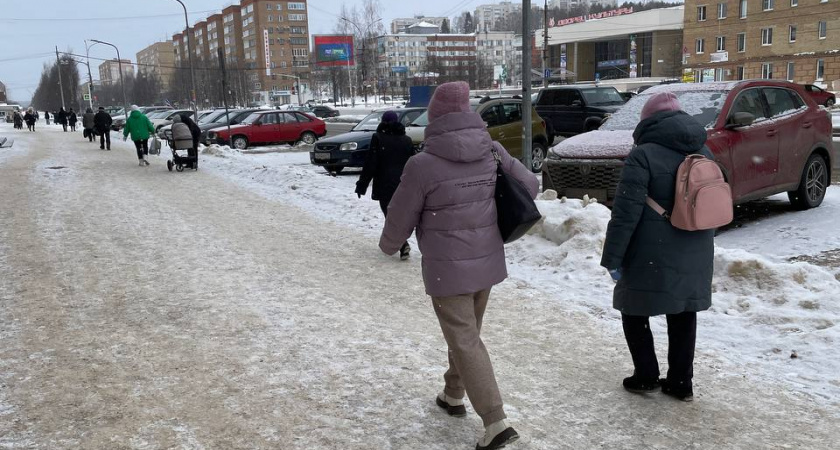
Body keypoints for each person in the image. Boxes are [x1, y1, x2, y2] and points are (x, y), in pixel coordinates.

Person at [379, 81, 538, 450]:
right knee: (466, 338)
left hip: (446, 270)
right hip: (488, 264)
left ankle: (496, 421)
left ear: (435, 117)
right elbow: (529, 185)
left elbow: (399, 219)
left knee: (465, 340)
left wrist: (389, 246)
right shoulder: (493, 150)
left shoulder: (422, 165)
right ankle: (453, 394)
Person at [600, 92, 714, 403]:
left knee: (632, 307)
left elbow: (626, 213)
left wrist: (613, 257)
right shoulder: (704, 150)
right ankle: (680, 382)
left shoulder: (643, 155)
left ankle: (646, 375)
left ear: (647, 122)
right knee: (683, 310)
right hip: (695, 245)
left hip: (651, 248)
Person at [355, 110, 415, 260]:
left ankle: (402, 244)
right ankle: (401, 242)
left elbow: (371, 163)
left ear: (383, 121)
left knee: (389, 215)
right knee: (399, 215)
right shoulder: (406, 140)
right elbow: (413, 164)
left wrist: (362, 185)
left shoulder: (378, 138)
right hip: (403, 184)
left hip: (385, 183)